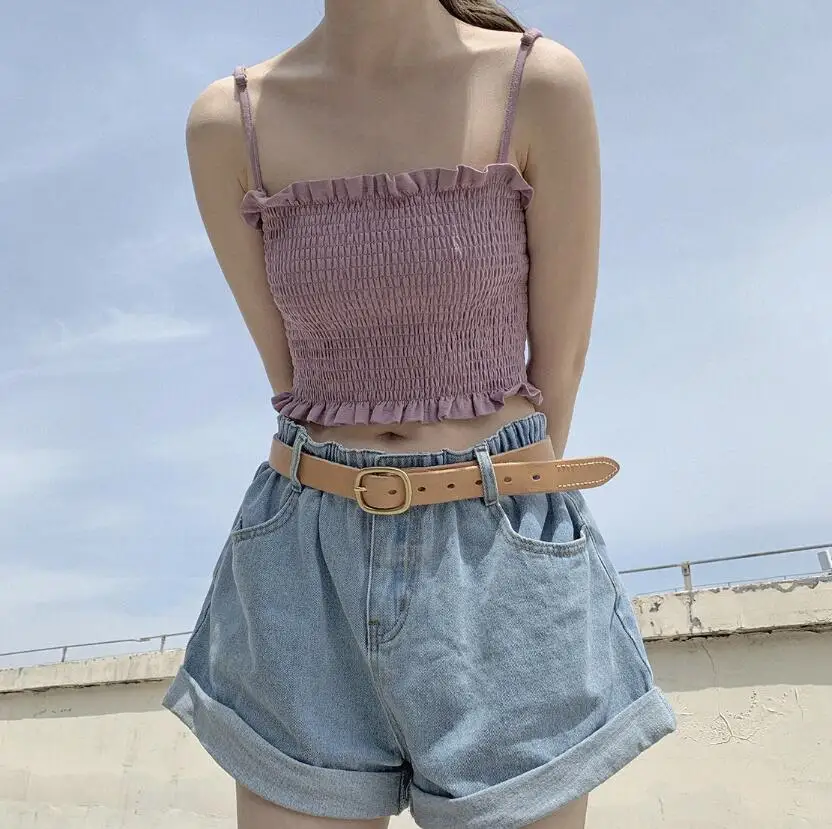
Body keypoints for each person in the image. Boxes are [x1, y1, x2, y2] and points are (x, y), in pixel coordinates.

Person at [161, 2, 677, 827]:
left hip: (497, 558)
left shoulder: (537, 84)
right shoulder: (229, 124)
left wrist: (486, 504)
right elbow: (293, 379)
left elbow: (560, 368)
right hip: (303, 566)